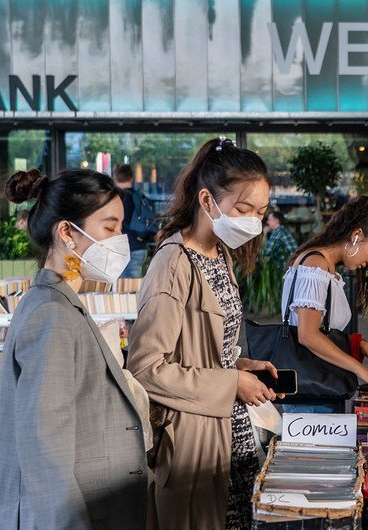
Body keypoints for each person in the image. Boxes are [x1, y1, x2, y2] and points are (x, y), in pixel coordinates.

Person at [127, 137, 281, 530]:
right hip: (194, 440)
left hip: (233, 437)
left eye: (261, 211)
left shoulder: (220, 252)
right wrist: (232, 383)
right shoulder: (173, 264)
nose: (253, 221)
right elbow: (146, 368)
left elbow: (203, 346)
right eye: (243, 209)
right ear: (207, 200)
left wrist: (242, 365)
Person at [0, 168, 150, 529]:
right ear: (66, 233)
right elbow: (46, 449)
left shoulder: (60, 302)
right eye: (109, 228)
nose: (120, 239)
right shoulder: (52, 315)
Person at [281, 196, 368, 411]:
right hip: (312, 395)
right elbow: (308, 335)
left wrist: (360, 345)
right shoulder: (316, 266)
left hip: (319, 388)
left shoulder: (322, 264)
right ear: (356, 235)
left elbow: (322, 328)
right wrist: (362, 372)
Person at [114, 163, 156, 279]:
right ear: (131, 179)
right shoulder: (139, 196)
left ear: (115, 178)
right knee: (135, 283)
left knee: (122, 287)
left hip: (124, 247)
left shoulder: (119, 199)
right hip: (140, 246)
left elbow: (122, 223)